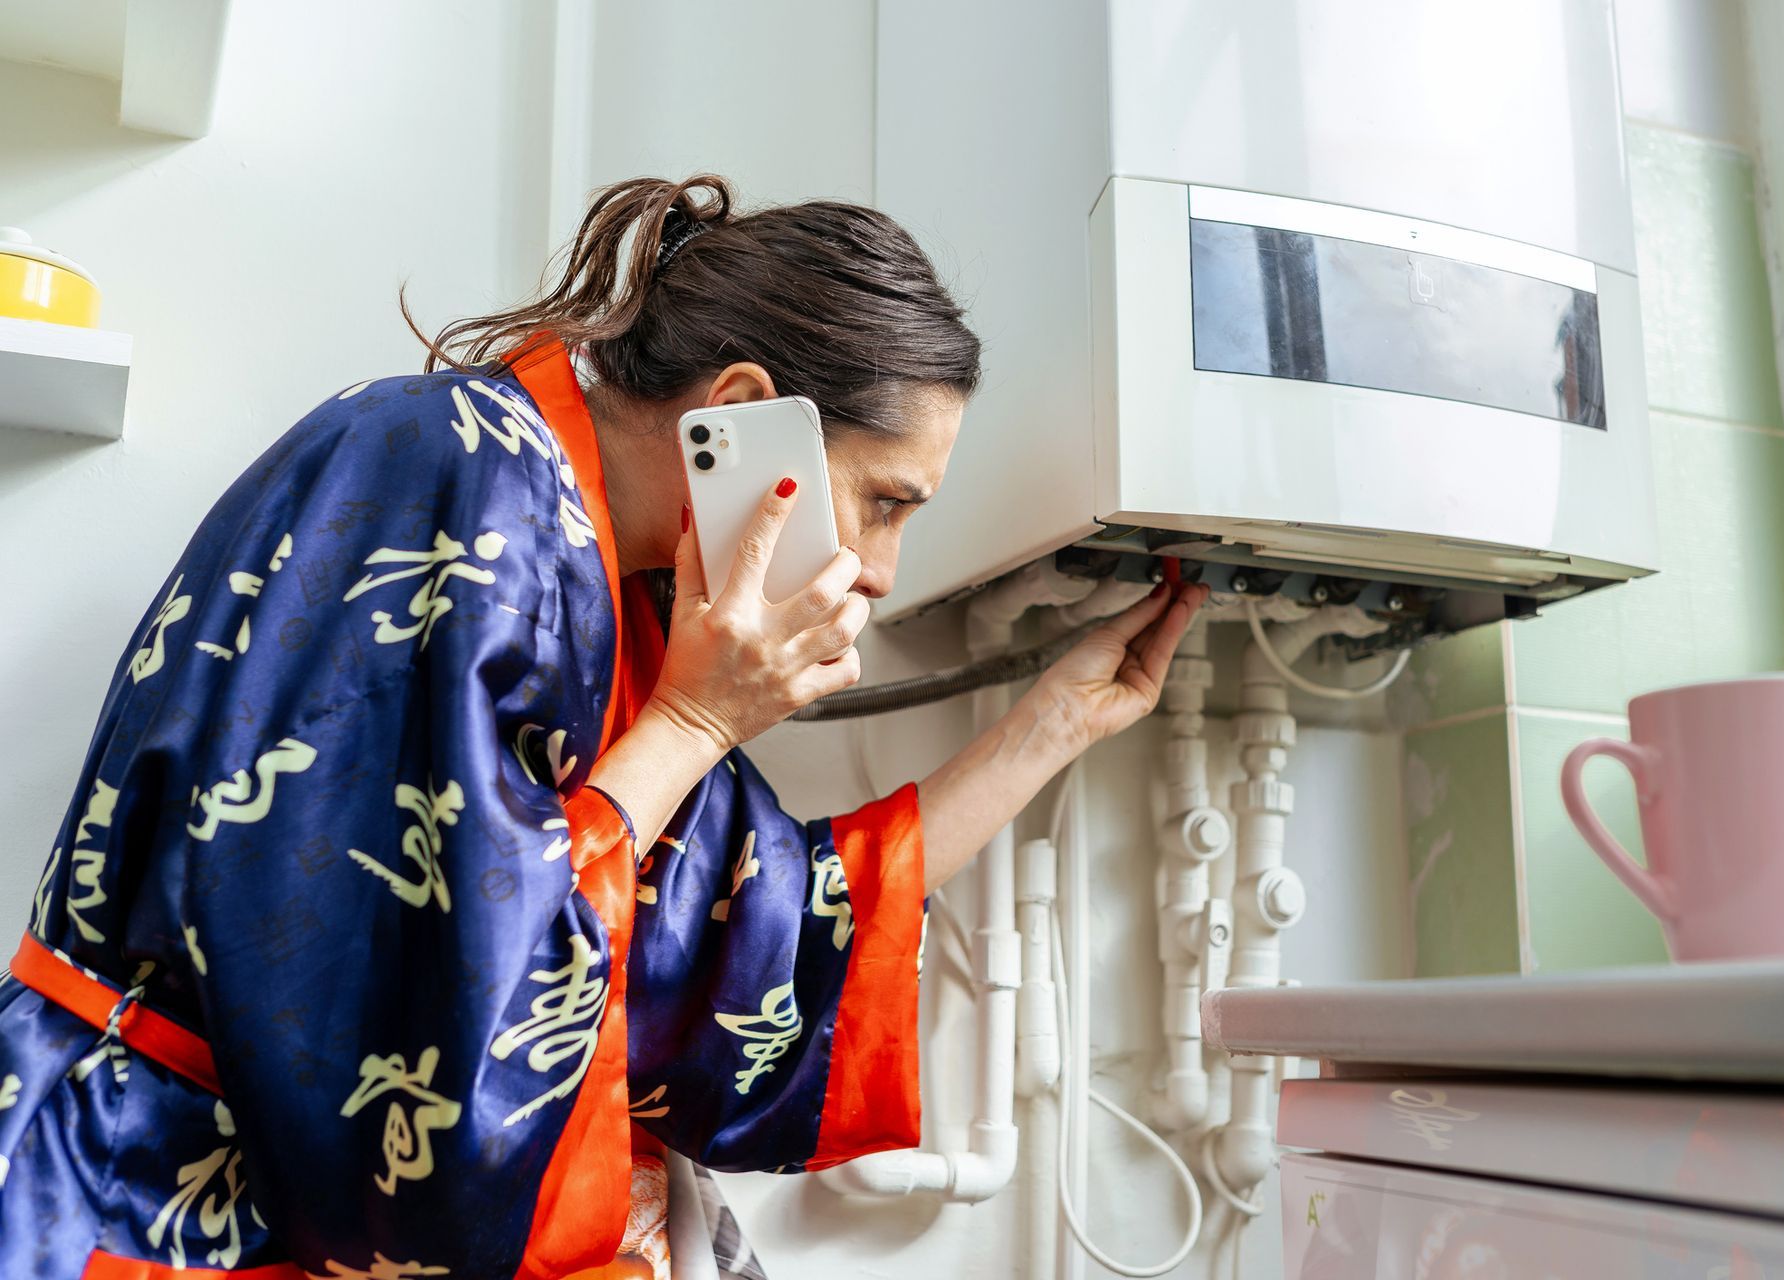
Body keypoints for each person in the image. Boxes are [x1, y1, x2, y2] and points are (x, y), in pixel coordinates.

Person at [0, 175, 1207, 1279]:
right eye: (885, 502)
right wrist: (694, 718)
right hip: (133, 1186)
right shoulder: (445, 474)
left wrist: (1054, 722)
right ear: (744, 416)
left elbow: (769, 926)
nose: (884, 570)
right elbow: (451, 1015)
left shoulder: (620, 598)